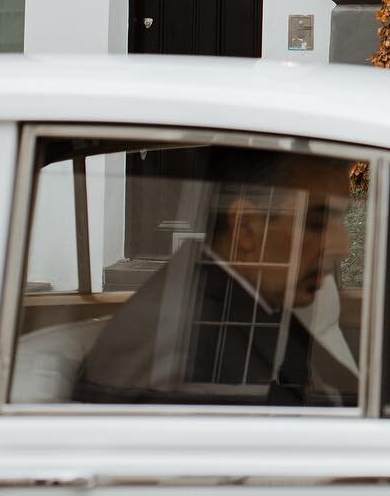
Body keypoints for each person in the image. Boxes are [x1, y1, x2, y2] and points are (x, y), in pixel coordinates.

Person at [75, 147, 359, 406]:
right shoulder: (191, 347)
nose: (342, 247)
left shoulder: (245, 300)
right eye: (317, 223)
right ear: (245, 227)